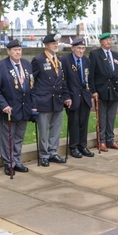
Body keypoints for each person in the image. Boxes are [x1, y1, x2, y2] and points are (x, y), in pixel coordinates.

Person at [0, 39, 35, 175]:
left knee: (19, 137)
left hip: (24, 108)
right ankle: (8, 163)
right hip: (9, 109)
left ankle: (17, 160)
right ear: (8, 51)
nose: (18, 52)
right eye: (15, 50)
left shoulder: (27, 65)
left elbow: (32, 87)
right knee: (8, 138)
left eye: (19, 50)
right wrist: (3, 105)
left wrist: (33, 105)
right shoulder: (1, 67)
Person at [31, 34, 71, 166]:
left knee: (56, 128)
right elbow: (32, 82)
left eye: (57, 43)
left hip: (57, 100)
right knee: (43, 130)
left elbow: (62, 81)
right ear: (46, 45)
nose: (56, 45)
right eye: (53, 43)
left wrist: (66, 96)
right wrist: (34, 102)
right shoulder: (38, 60)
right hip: (44, 100)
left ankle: (53, 152)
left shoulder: (58, 61)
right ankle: (44, 155)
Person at [89, 32, 118, 150]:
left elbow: (117, 72)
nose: (109, 42)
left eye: (110, 39)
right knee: (102, 117)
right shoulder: (95, 54)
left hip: (113, 90)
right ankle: (102, 141)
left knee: (111, 117)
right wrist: (93, 90)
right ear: (101, 42)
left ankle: (110, 140)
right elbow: (91, 75)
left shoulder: (115, 55)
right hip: (101, 90)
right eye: (106, 40)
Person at [61, 38, 94, 158]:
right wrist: (66, 97)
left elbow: (89, 78)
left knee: (83, 123)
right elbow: (63, 80)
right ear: (72, 48)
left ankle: (82, 146)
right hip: (72, 97)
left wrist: (90, 93)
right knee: (74, 123)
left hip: (84, 96)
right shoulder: (65, 60)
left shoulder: (86, 60)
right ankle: (73, 147)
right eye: (78, 48)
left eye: (83, 48)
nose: (81, 51)